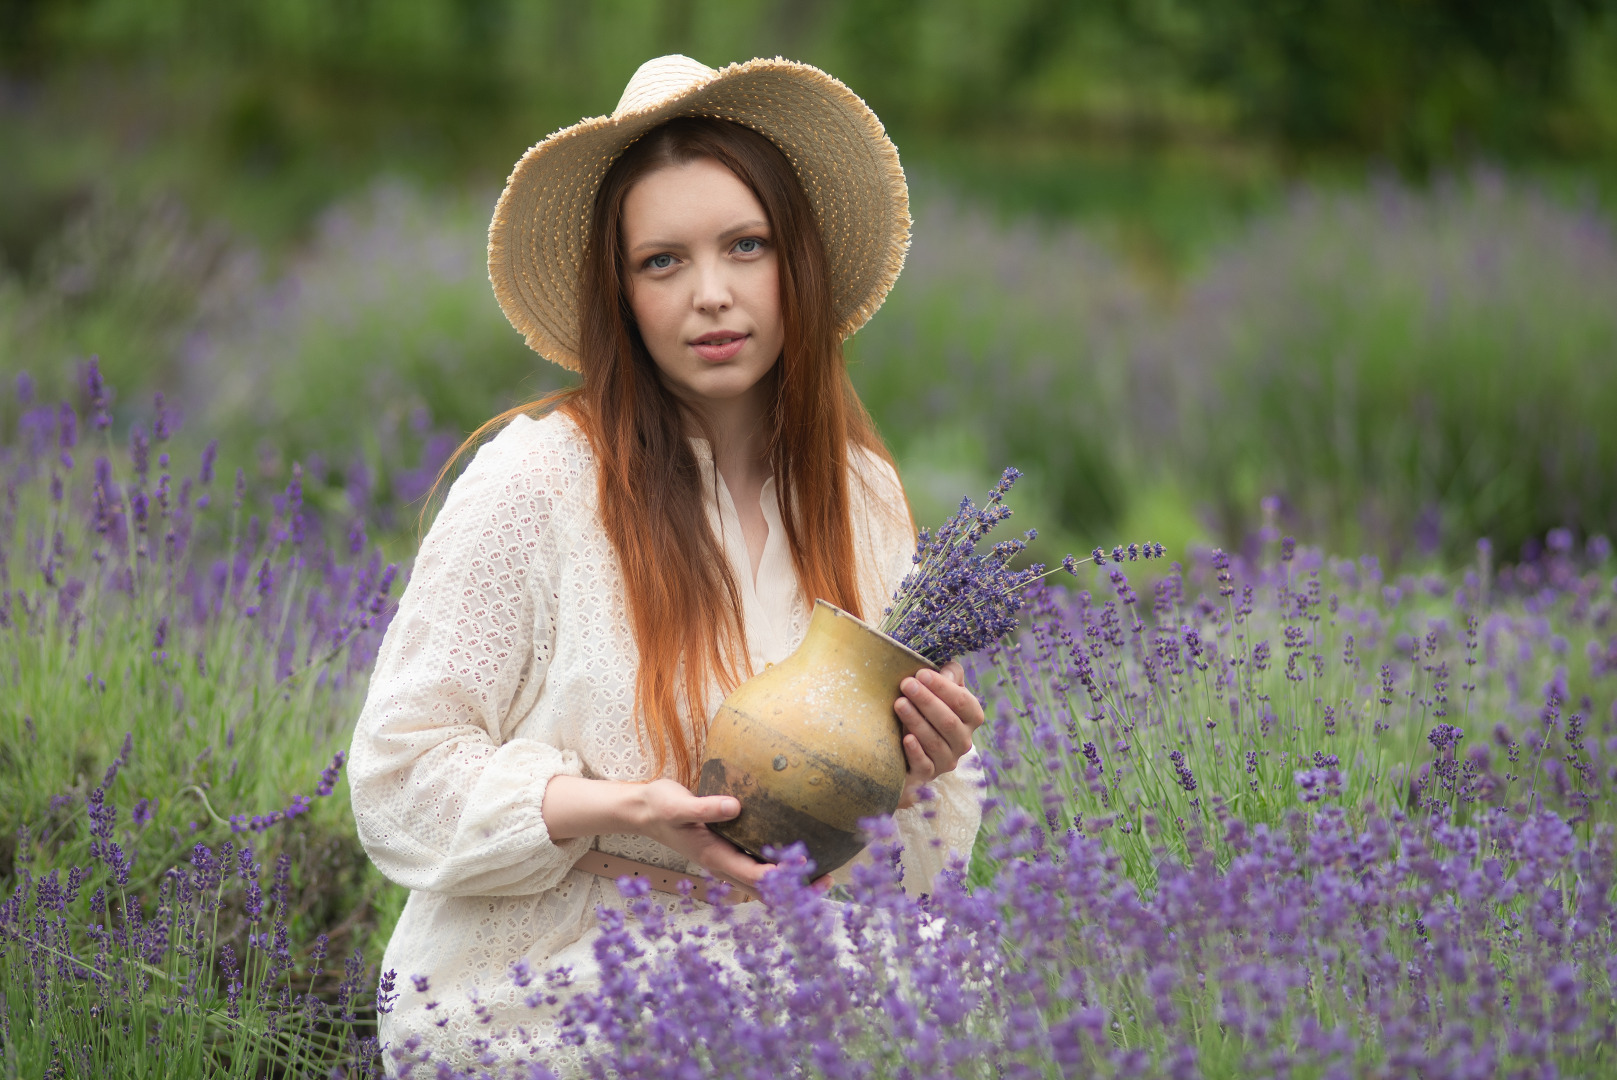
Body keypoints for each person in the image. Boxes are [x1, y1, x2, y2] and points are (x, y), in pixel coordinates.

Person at [348, 54, 986, 1075]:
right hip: (553, 989)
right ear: (622, 293)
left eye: (747, 246)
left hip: (790, 971)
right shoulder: (538, 483)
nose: (713, 297)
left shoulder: (858, 494)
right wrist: (617, 808)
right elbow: (398, 776)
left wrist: (922, 768)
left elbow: (905, 867)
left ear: (799, 263)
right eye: (663, 262)